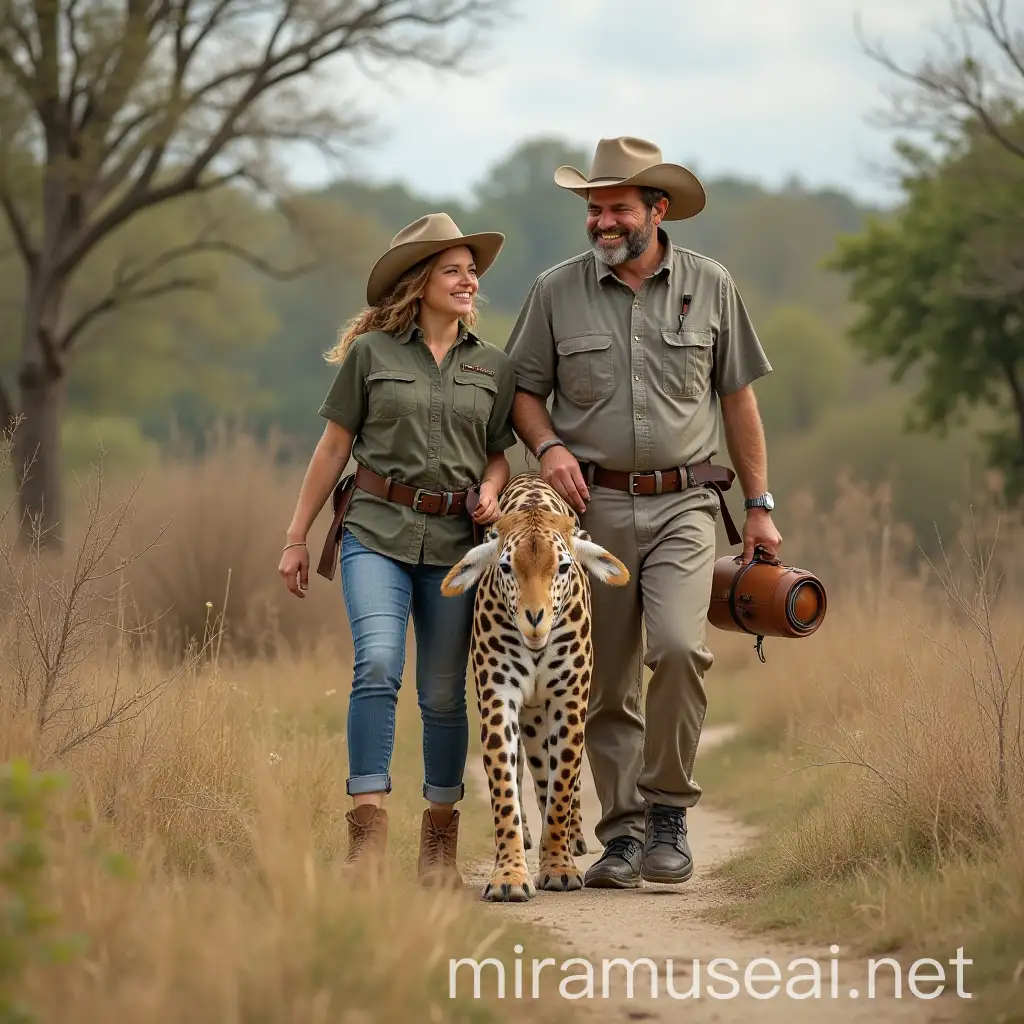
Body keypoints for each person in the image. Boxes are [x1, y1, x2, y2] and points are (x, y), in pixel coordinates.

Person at [504, 137, 782, 889]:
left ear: (656, 210)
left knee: (680, 650)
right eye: (593, 209)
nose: (601, 222)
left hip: (688, 503)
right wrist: (550, 446)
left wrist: (759, 507)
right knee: (603, 679)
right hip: (585, 510)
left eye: (617, 208)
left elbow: (738, 400)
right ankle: (621, 835)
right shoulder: (555, 291)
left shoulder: (711, 283)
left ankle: (668, 814)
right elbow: (523, 390)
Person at [278, 212, 517, 887]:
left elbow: (499, 456)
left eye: (472, 270)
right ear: (421, 283)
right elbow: (332, 450)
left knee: (443, 694)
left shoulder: (492, 365)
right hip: (374, 533)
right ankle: (367, 840)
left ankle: (439, 844)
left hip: (453, 545)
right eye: (454, 269)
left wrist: (493, 489)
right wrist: (296, 537)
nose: (469, 279)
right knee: (378, 662)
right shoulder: (372, 356)